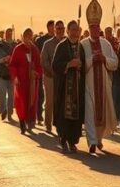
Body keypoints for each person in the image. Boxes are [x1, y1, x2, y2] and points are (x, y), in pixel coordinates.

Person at [83, 1, 119, 154]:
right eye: (92, 27)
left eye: (97, 27)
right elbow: (81, 65)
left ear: (99, 27)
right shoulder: (83, 44)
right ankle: (91, 141)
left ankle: (98, 139)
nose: (95, 29)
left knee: (102, 112)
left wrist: (104, 59)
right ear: (89, 28)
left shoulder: (106, 44)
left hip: (103, 85)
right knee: (90, 111)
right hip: (88, 86)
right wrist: (92, 60)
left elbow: (115, 63)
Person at [52, 20, 86, 153]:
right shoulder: (61, 46)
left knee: (76, 115)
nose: (75, 33)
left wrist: (80, 65)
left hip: (77, 88)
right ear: (68, 31)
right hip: (64, 87)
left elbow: (84, 65)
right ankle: (63, 138)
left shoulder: (80, 47)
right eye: (73, 30)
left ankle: (73, 141)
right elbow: (55, 65)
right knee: (63, 114)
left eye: (77, 30)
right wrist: (68, 64)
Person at [9, 28, 43, 134]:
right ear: (22, 36)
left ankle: (30, 121)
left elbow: (39, 65)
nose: (28, 37)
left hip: (32, 82)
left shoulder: (34, 49)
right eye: (26, 35)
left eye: (30, 35)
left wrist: (37, 73)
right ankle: (22, 122)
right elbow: (13, 64)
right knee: (22, 102)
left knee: (31, 102)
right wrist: (15, 77)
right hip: (21, 82)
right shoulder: (18, 49)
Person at [40, 20, 65, 134]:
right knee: (50, 101)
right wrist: (52, 71)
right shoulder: (48, 44)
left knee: (60, 102)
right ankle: (48, 124)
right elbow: (43, 60)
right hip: (50, 76)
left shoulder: (67, 43)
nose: (60, 31)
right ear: (54, 30)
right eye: (58, 28)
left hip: (63, 77)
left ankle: (59, 124)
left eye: (62, 29)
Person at [35, 21, 55, 125]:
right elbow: (36, 55)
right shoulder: (41, 40)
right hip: (42, 71)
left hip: (54, 74)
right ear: (48, 27)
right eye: (52, 27)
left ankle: (53, 120)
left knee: (53, 98)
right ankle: (39, 115)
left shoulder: (60, 40)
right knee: (41, 95)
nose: (53, 28)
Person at [0, 28, 16, 120]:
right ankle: (3, 110)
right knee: (2, 94)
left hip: (12, 74)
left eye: (11, 32)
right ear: (4, 34)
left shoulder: (16, 45)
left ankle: (10, 113)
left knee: (11, 95)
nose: (9, 34)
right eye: (7, 33)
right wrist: (4, 59)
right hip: (1, 73)